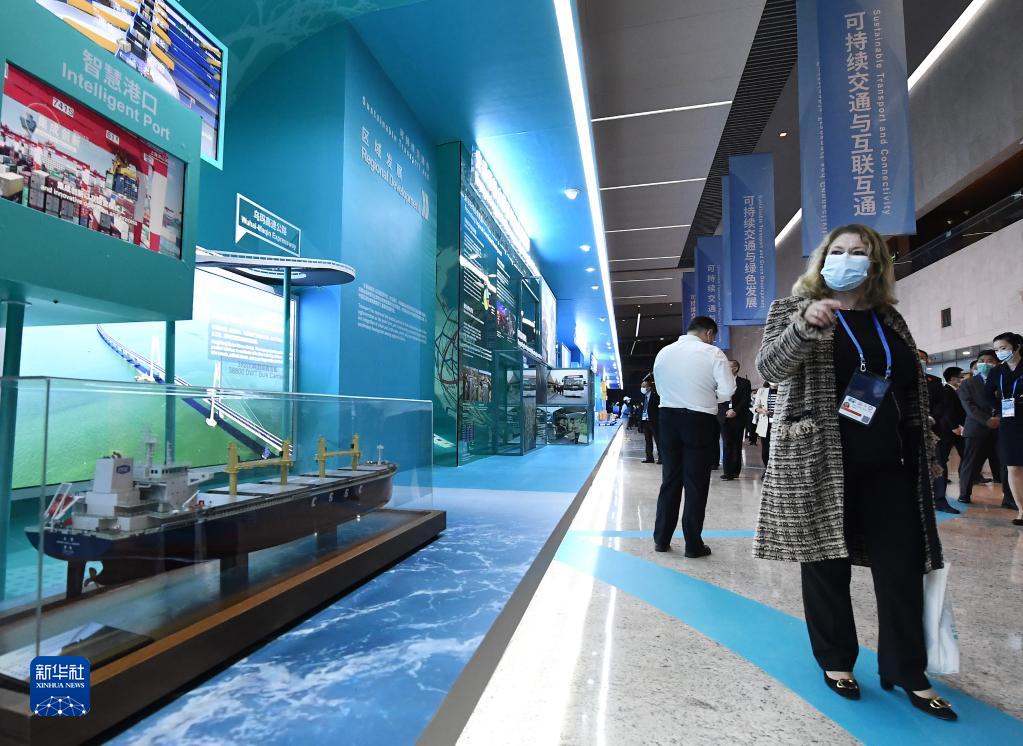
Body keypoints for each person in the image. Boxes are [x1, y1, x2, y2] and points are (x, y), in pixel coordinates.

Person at [754, 223, 955, 721]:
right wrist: (805, 327)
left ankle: (906, 669)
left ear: (876, 263)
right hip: (819, 460)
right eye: (837, 251)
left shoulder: (889, 319)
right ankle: (836, 659)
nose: (846, 259)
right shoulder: (794, 309)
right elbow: (771, 368)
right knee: (826, 565)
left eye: (858, 252)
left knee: (902, 567)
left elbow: (907, 386)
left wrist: (924, 443)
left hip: (889, 462)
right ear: (823, 260)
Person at [652, 316, 735, 558]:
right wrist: (710, 397)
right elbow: (728, 390)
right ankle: (692, 545)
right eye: (713, 336)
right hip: (699, 420)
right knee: (696, 483)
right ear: (708, 333)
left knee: (670, 479)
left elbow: (659, 387)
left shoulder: (664, 353)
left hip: (667, 418)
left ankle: (661, 539)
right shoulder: (713, 353)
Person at [957, 350, 1015, 507]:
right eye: (982, 360)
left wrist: (1002, 418)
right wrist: (987, 420)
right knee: (971, 464)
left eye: (990, 361)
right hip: (977, 429)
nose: (985, 363)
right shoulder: (968, 383)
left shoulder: (1005, 380)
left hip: (1002, 428)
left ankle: (1009, 498)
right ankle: (964, 494)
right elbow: (969, 406)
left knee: (1005, 464)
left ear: (997, 363)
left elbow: (1009, 401)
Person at [987, 332, 1023, 525]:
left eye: (1003, 348)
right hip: (1010, 421)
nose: (1000, 352)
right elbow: (987, 394)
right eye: (997, 349)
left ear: (1017, 347)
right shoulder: (997, 371)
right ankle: (1022, 510)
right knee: (1013, 466)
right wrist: (1000, 408)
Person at [934, 366, 966, 513]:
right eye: (960, 377)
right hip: (948, 431)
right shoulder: (946, 391)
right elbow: (947, 410)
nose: (962, 379)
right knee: (941, 462)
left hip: (956, 431)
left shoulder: (954, 391)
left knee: (964, 457)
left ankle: (964, 488)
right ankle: (939, 497)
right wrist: (954, 426)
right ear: (953, 378)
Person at [718, 360, 751, 480]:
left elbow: (745, 400)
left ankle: (736, 471)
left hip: (738, 417)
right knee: (726, 444)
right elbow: (718, 399)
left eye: (728, 366)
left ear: (735, 368)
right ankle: (727, 472)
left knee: (737, 445)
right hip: (725, 417)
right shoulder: (720, 382)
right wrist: (726, 411)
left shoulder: (744, 383)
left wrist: (735, 411)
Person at [751, 381, 778, 468]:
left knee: (777, 448)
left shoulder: (783, 390)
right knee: (766, 450)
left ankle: (775, 469)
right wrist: (761, 410)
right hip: (765, 424)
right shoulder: (762, 391)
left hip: (779, 424)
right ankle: (767, 469)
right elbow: (755, 407)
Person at [640, 373, 661, 464]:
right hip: (645, 421)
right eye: (642, 386)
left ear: (649, 387)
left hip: (654, 421)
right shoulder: (643, 397)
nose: (642, 388)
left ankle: (661, 458)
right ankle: (649, 457)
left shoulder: (655, 396)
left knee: (658, 440)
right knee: (648, 440)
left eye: (644, 386)